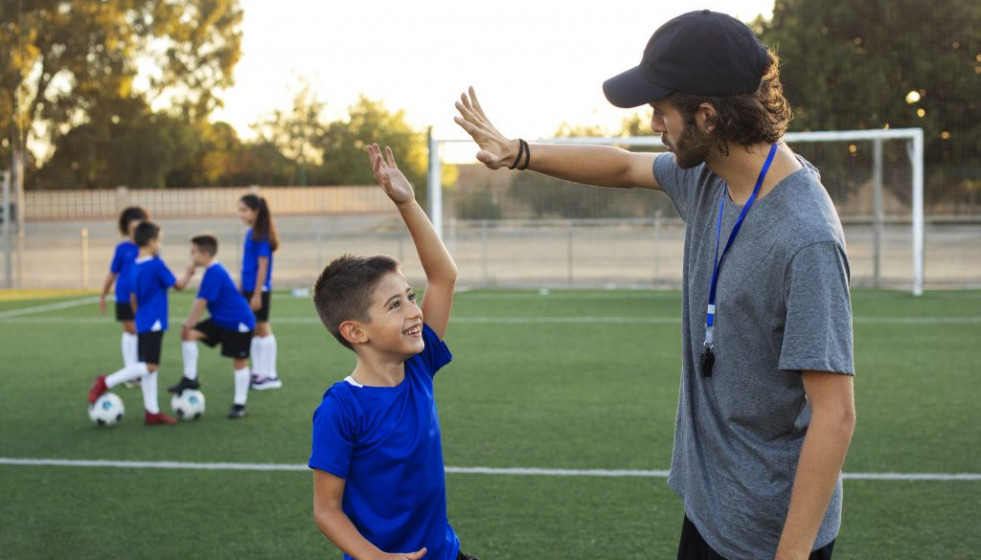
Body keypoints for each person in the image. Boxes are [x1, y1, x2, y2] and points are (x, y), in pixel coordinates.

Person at [454, 10, 855, 560]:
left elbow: (835, 415)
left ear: (708, 117)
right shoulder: (710, 177)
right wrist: (519, 152)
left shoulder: (805, 238)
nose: (652, 125)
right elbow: (624, 168)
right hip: (711, 509)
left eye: (660, 111)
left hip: (767, 534)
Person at [308, 144, 477, 560]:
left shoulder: (419, 365)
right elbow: (327, 510)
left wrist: (407, 203)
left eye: (410, 297)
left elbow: (443, 276)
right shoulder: (341, 408)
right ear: (355, 331)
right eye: (395, 305)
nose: (415, 312)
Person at [89, 221, 195, 425]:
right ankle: (105, 382)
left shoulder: (135, 265)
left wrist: (139, 316)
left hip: (144, 320)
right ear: (151, 241)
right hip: (155, 321)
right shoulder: (156, 265)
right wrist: (189, 274)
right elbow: (179, 286)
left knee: (148, 367)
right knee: (150, 366)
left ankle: (152, 412)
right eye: (159, 241)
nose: (160, 245)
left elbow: (132, 297)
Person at [167, 234, 256, 419]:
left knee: (239, 362)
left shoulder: (215, 272)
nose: (191, 256)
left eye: (193, 252)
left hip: (238, 322)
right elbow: (200, 301)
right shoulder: (211, 271)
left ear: (205, 253)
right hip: (220, 320)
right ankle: (190, 378)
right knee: (188, 334)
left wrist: (190, 322)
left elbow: (201, 302)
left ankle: (239, 404)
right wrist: (189, 326)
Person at [98, 206, 149, 387]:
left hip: (143, 297)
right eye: (132, 228)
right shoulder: (122, 249)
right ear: (126, 228)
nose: (136, 232)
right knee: (131, 330)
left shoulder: (147, 248)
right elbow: (112, 273)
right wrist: (103, 295)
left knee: (142, 331)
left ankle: (138, 369)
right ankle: (131, 373)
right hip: (124, 297)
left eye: (139, 227)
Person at [237, 193, 281, 390]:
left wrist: (256, 294)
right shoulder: (252, 232)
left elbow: (263, 266)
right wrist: (240, 286)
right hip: (248, 287)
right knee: (254, 328)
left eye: (244, 210)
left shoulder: (262, 235)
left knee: (262, 327)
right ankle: (258, 371)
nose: (240, 214)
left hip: (258, 288)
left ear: (256, 211)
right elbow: (247, 265)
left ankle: (270, 375)